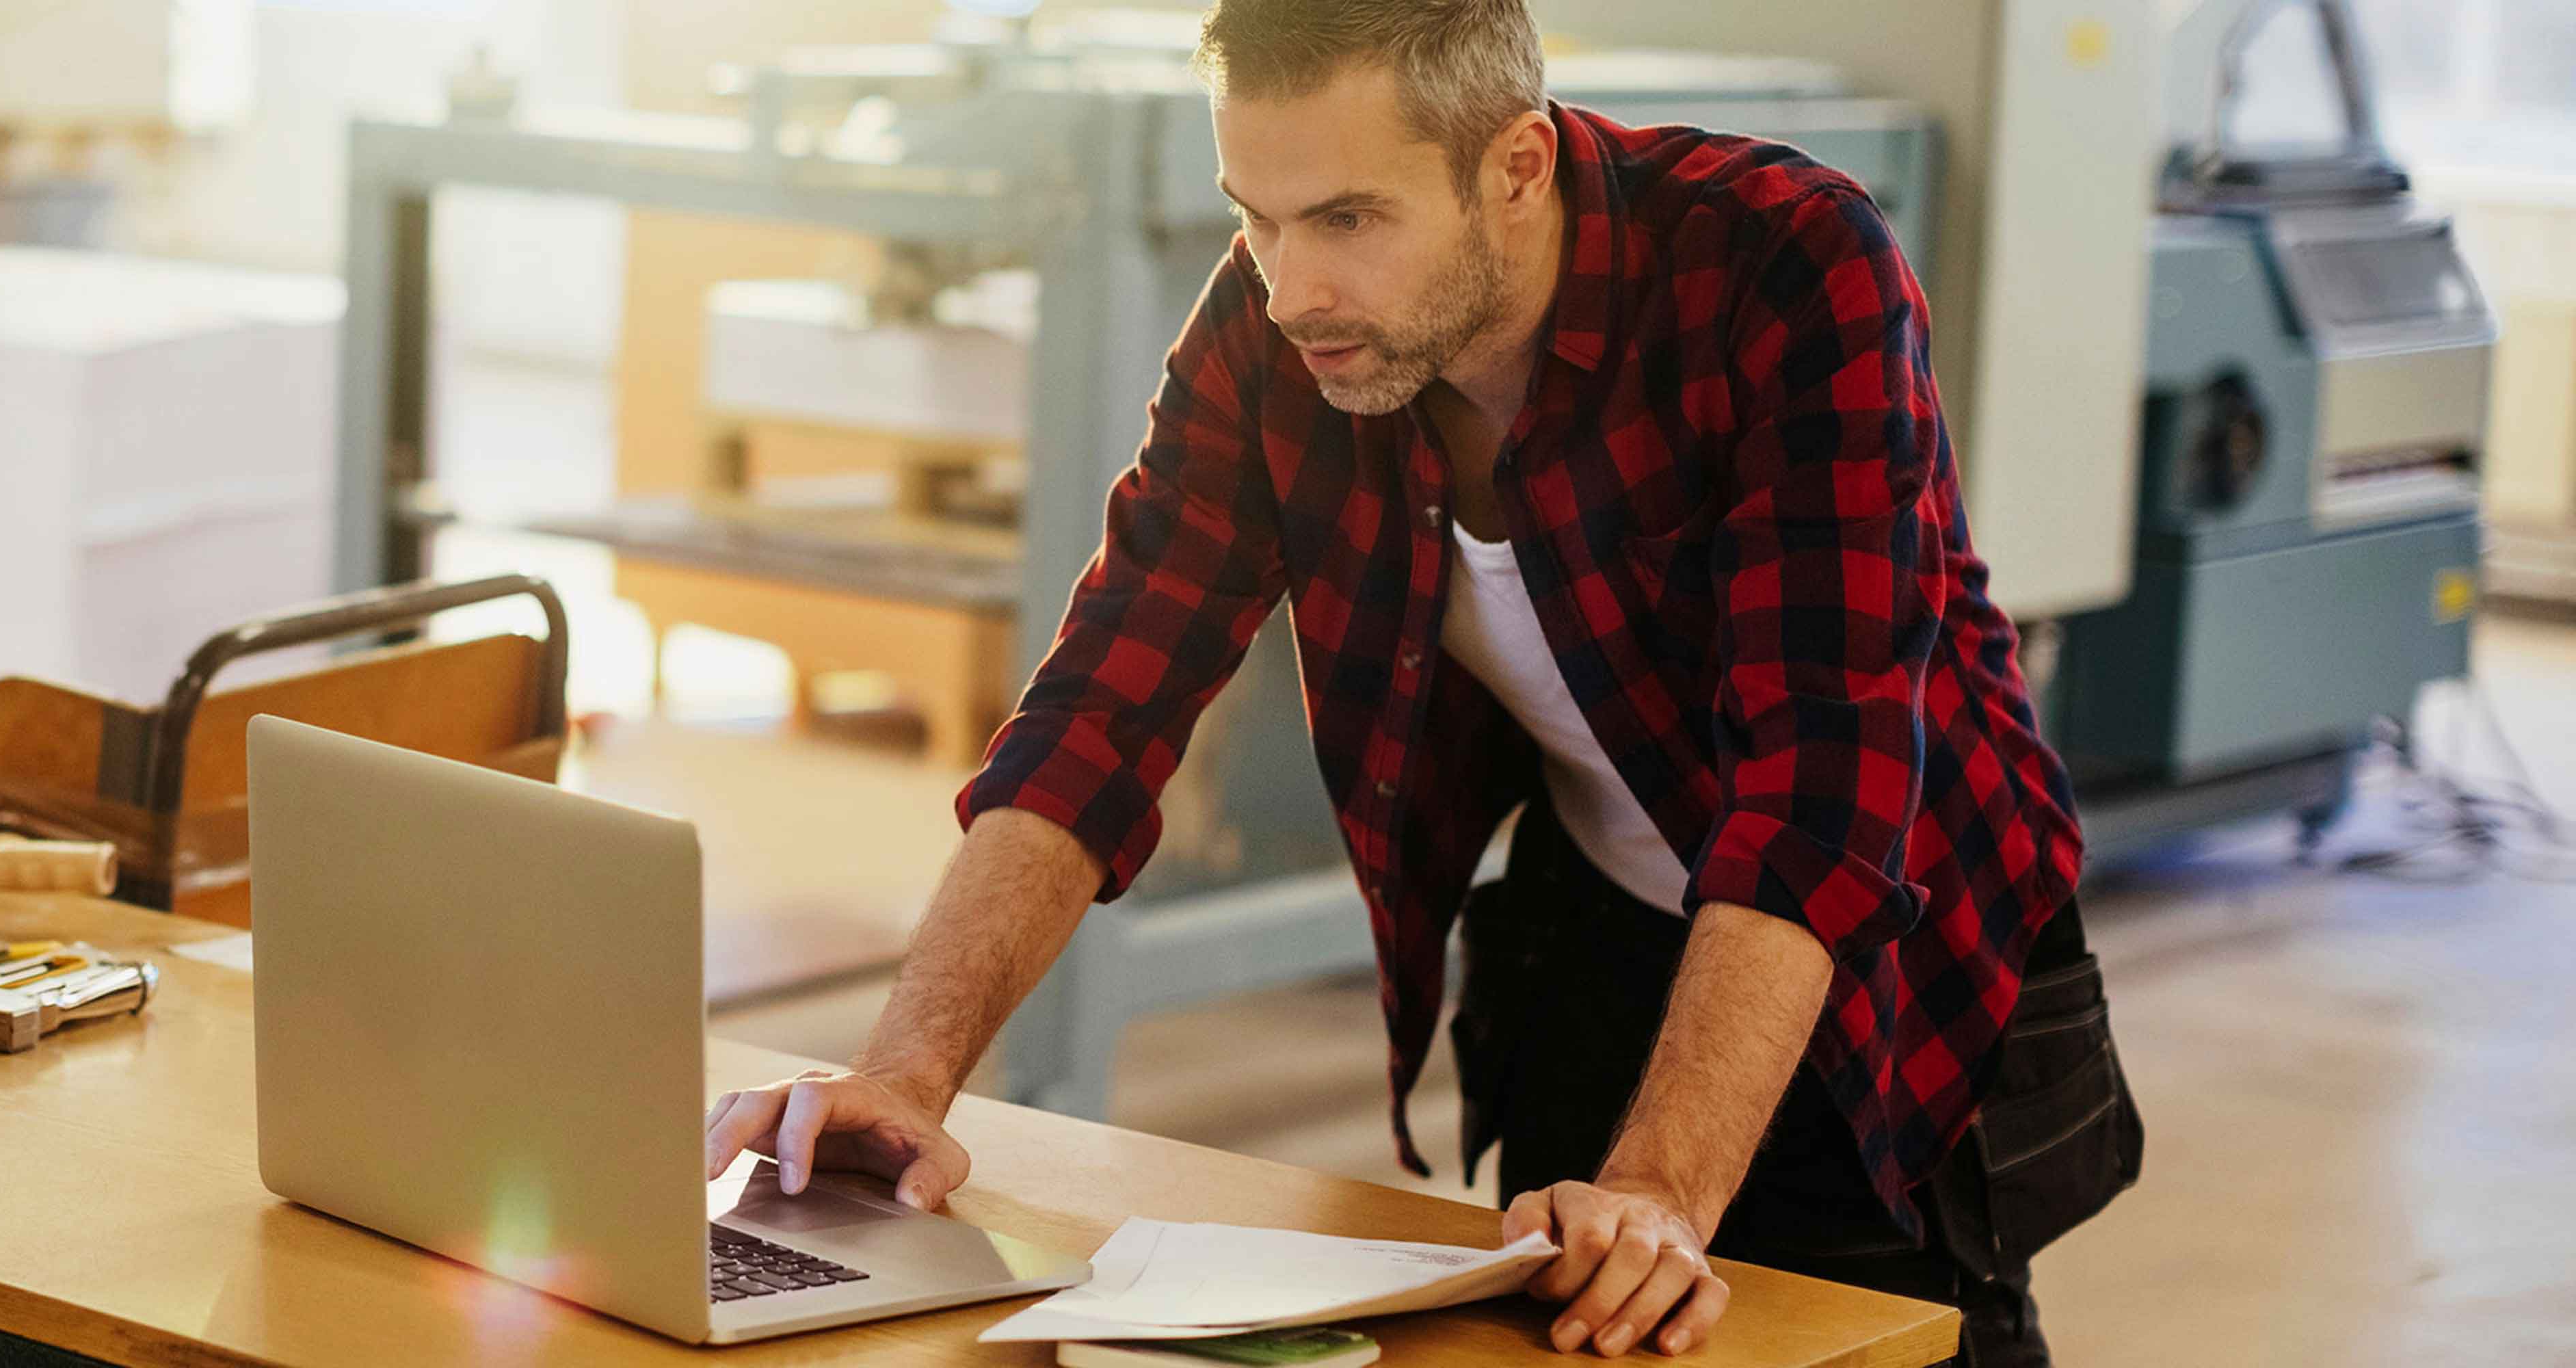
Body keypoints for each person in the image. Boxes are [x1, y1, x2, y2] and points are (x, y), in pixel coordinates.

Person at [700, 1, 2138, 1362]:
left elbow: (1816, 791)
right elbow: (1100, 709)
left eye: (1347, 219)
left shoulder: (1785, 265)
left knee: (1868, 1344)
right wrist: (903, 1072)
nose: (1289, 286)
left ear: (1516, 166)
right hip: (1602, 938)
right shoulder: (1272, 332)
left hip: (1883, 955)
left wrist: (1662, 1185)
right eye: (1254, 216)